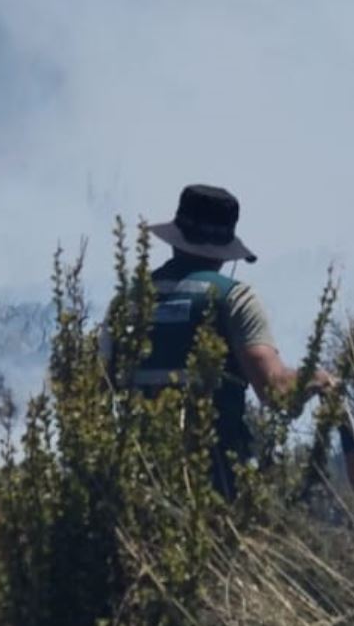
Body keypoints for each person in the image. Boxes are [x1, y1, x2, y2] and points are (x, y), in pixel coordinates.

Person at [105, 183, 334, 498]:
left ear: (175, 239)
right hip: (212, 490)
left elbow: (96, 390)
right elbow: (276, 390)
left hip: (133, 488)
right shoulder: (235, 299)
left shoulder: (128, 301)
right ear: (225, 253)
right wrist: (319, 380)